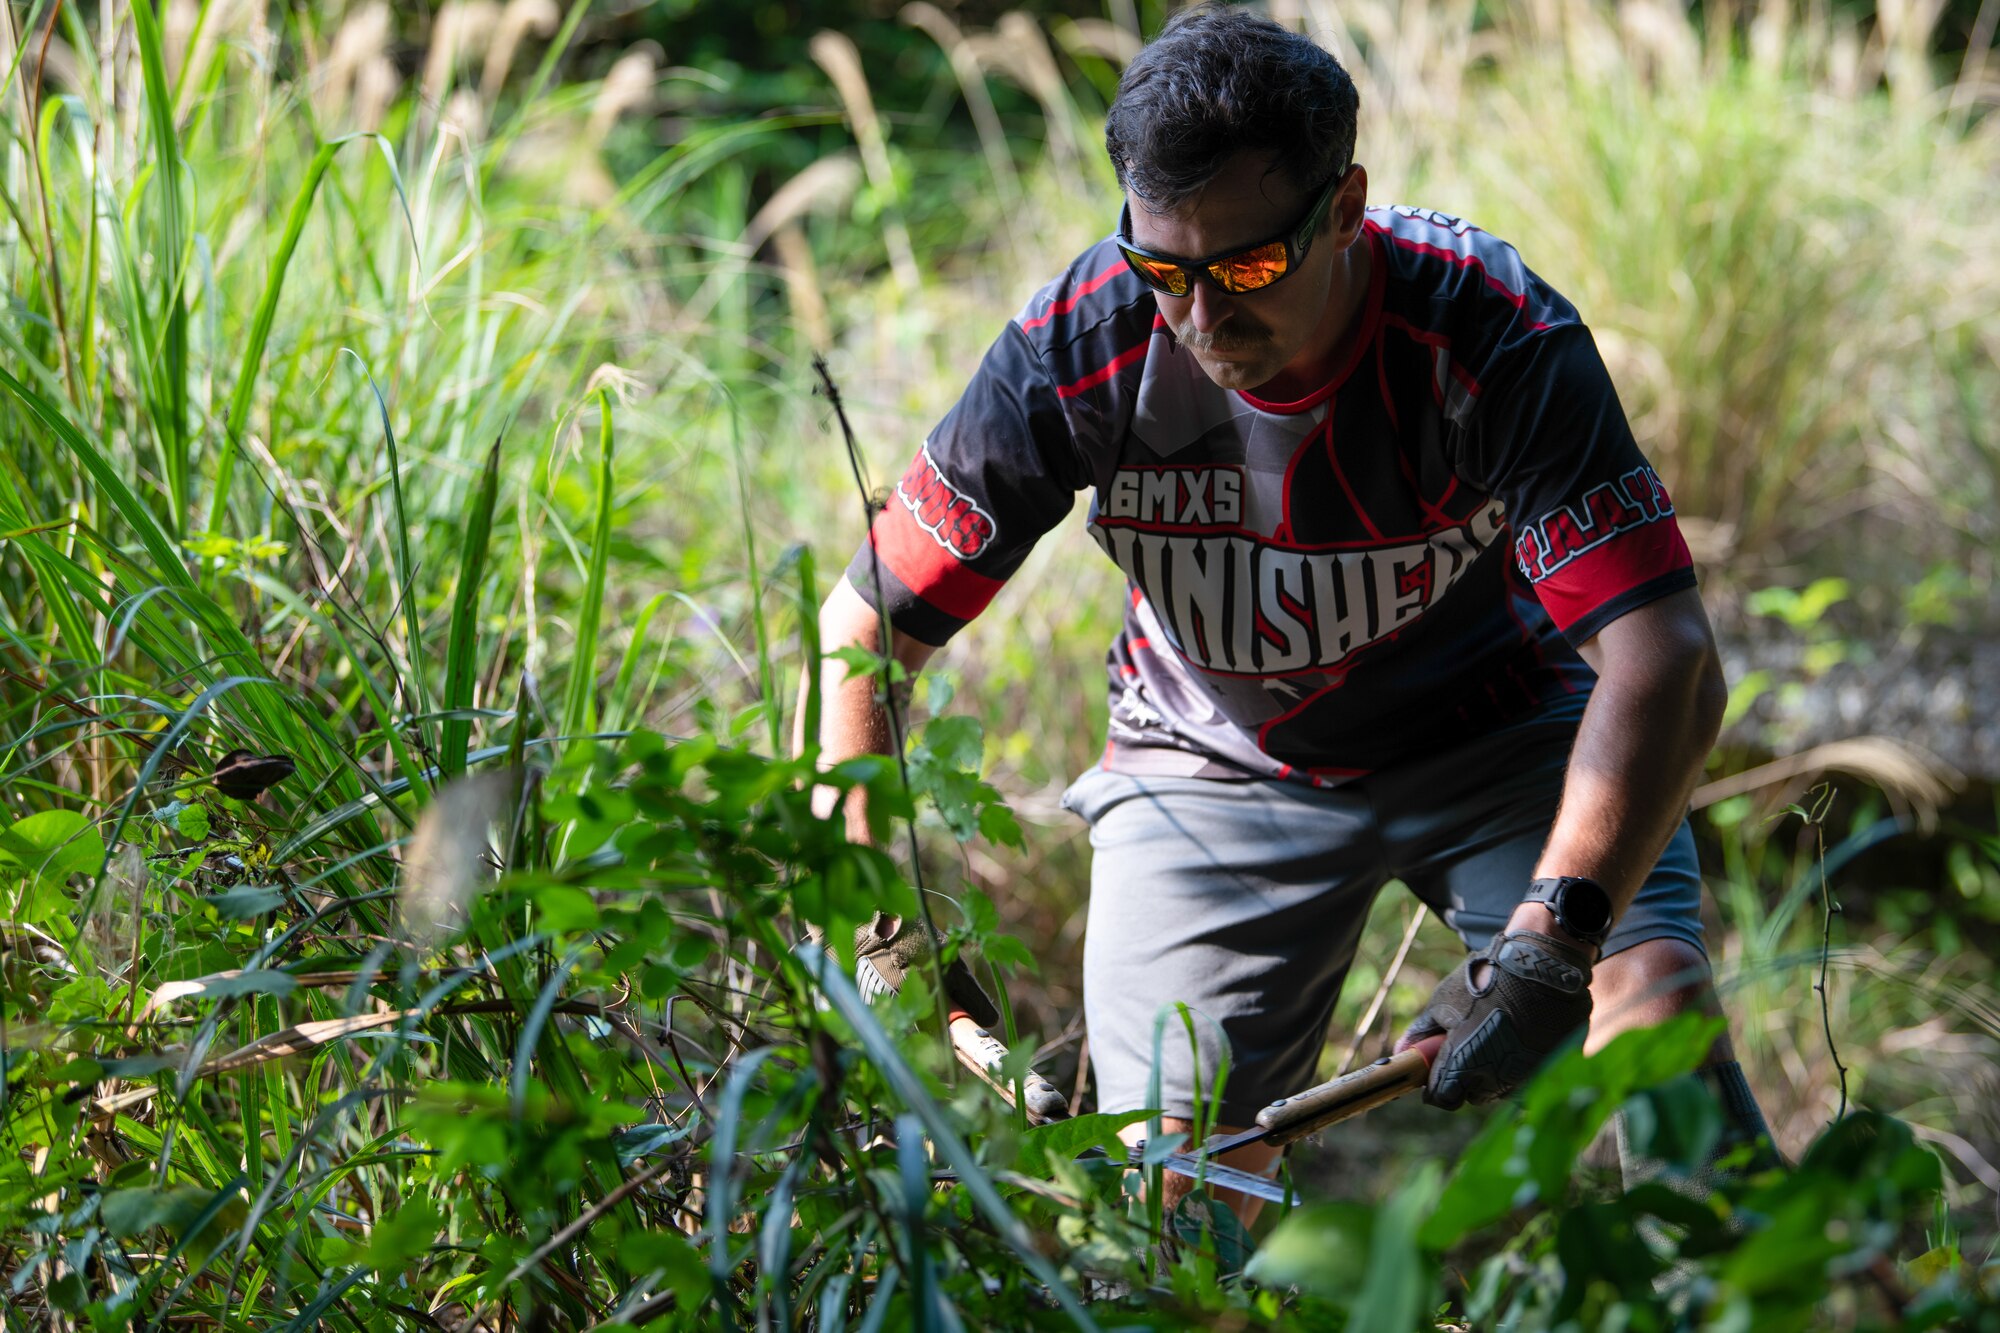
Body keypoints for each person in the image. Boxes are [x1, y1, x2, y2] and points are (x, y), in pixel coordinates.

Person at [804, 3, 1772, 1216]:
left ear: (1345, 204)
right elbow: (863, 634)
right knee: (1171, 1196)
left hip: (1500, 734)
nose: (1202, 320)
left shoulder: (1486, 332)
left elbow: (1665, 660)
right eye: (1165, 269)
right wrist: (883, 919)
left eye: (1249, 267)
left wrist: (1555, 935)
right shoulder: (1077, 344)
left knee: (1654, 1016)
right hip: (1209, 758)